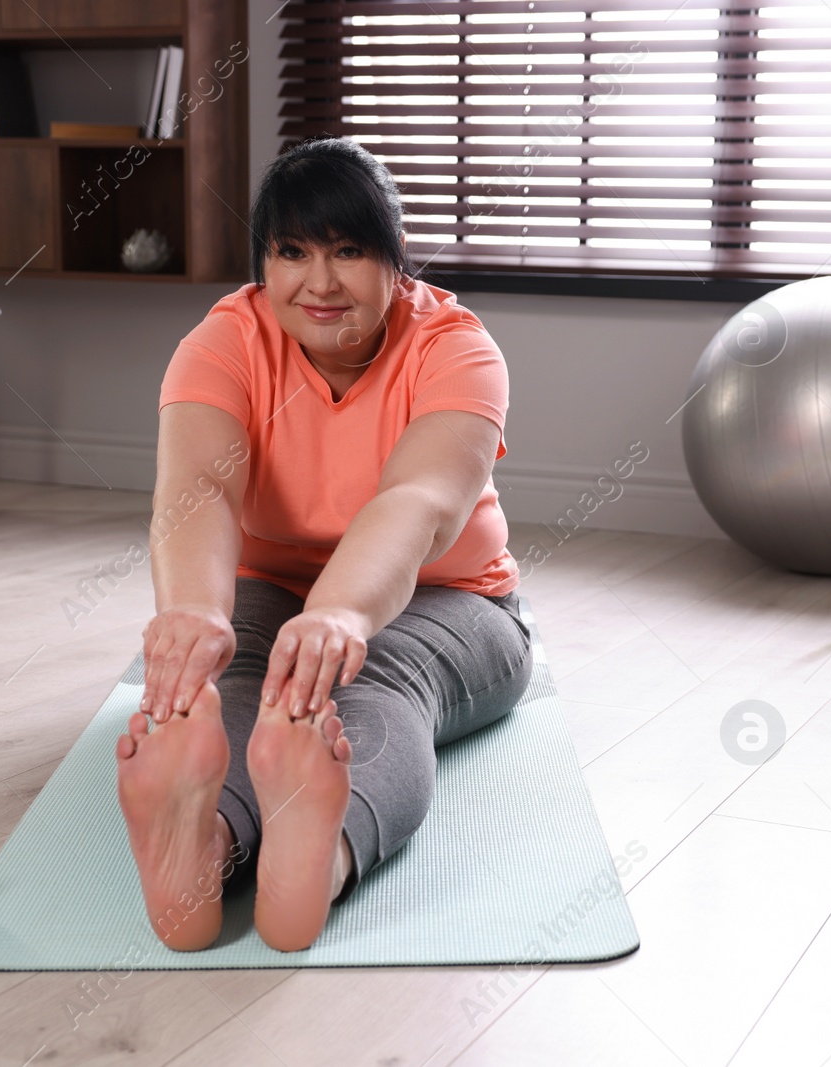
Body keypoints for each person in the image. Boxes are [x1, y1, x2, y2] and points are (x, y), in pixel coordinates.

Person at [115, 136, 533, 952]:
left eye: (349, 251)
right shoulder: (225, 341)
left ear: (396, 261)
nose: (321, 282)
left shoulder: (458, 349)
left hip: (454, 600)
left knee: (371, 688)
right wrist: (198, 610)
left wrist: (342, 611)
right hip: (272, 583)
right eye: (293, 253)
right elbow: (198, 486)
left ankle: (320, 860)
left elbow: (420, 500)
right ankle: (209, 848)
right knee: (238, 688)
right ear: (263, 266)